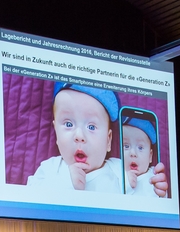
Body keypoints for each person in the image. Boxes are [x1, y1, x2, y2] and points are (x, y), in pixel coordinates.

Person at [27, 82, 167, 195]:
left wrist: (156, 187)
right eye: (68, 124)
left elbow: (143, 191)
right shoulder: (51, 169)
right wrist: (67, 184)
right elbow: (30, 198)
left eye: (92, 127)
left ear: (108, 140)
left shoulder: (119, 169)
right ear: (56, 133)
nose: (79, 136)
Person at [120, 117, 162, 197]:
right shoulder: (118, 172)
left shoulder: (154, 176)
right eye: (126, 146)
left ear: (150, 156)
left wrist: (163, 193)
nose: (133, 153)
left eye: (140, 148)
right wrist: (126, 183)